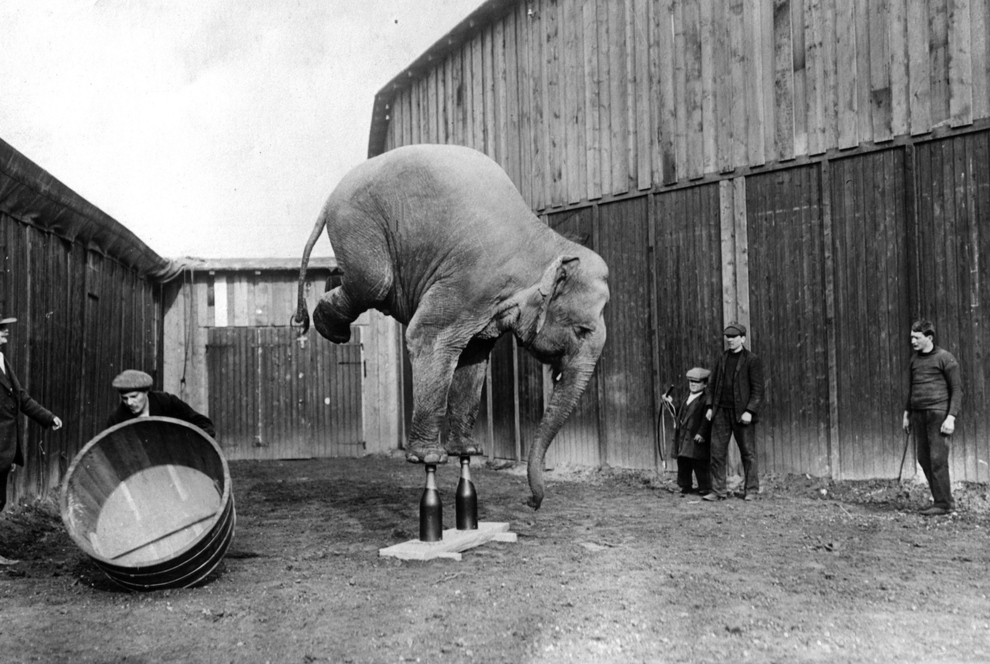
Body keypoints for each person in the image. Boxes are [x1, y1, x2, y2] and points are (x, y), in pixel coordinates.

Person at [0, 316, 63, 563]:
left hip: (5, 446)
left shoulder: (2, 360)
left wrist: (48, 417)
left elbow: (21, 397)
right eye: (0, 329)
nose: (6, 332)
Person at [902, 318, 962, 516]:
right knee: (923, 458)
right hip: (919, 414)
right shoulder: (914, 360)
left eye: (917, 338)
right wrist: (907, 414)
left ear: (929, 337)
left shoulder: (946, 358)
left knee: (938, 459)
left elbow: (957, 390)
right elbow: (912, 388)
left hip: (938, 415)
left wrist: (951, 417)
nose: (913, 341)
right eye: (912, 337)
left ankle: (944, 504)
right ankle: (941, 500)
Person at [703, 322, 765, 501]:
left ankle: (751, 490)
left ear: (743, 339)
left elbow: (758, 390)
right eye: (728, 337)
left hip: (741, 414)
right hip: (721, 412)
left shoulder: (752, 360)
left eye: (734, 337)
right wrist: (710, 407)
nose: (730, 340)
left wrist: (749, 411)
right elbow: (712, 385)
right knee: (716, 452)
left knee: (748, 453)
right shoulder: (721, 358)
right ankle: (718, 491)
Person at [106, 369, 216, 437]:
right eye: (125, 398)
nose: (129, 403)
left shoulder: (167, 402)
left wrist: (190, 442)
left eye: (134, 397)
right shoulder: (117, 419)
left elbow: (203, 423)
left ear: (146, 392)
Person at [663, 367, 712, 496]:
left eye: (697, 382)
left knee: (699, 462)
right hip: (684, 437)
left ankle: (704, 487)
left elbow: (707, 419)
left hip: (696, 437)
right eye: (691, 381)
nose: (693, 384)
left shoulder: (706, 400)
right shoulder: (687, 398)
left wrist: (702, 433)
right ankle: (685, 485)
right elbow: (678, 412)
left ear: (705, 384)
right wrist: (669, 403)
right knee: (683, 461)